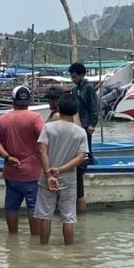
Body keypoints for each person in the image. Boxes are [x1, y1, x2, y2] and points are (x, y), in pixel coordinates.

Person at [34, 94, 88, 245]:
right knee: (69, 217)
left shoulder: (48, 128)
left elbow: (41, 151)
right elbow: (80, 157)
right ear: (75, 110)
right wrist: (60, 170)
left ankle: (43, 249)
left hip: (47, 176)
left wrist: (49, 172)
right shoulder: (80, 132)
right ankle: (69, 251)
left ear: (58, 108)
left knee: (45, 216)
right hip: (68, 178)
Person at [0, 86, 44, 235]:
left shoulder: (3, 119)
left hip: (11, 171)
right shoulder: (35, 118)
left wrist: (7, 157)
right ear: (28, 100)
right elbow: (45, 139)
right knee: (33, 207)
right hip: (32, 172)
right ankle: (35, 240)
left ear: (13, 100)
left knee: (11, 207)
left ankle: (13, 238)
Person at [69, 63, 98, 213]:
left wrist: (93, 123)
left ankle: (88, 165)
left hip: (86, 125)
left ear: (81, 75)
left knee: (87, 150)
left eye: (75, 76)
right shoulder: (75, 89)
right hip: (77, 124)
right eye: (72, 76)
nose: (73, 79)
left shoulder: (88, 88)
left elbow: (94, 106)